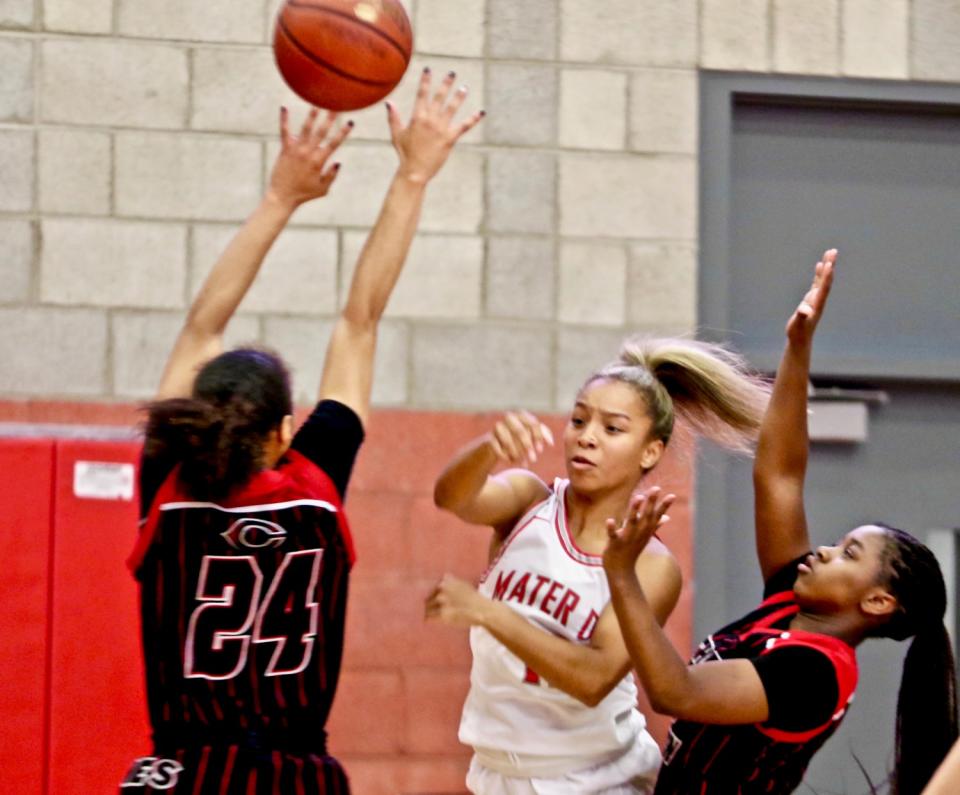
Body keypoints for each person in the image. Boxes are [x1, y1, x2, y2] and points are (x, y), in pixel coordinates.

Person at [120, 69, 483, 794]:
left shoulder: (169, 481)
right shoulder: (314, 485)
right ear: (287, 431)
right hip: (295, 773)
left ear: (197, 415)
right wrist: (412, 175)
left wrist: (280, 197)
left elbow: (203, 325)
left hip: (185, 770)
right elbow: (360, 318)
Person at [602, 250, 958, 795]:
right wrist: (798, 348)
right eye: (839, 544)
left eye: (848, 555)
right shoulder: (792, 599)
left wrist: (622, 575)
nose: (823, 551)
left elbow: (676, 692)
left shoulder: (815, 674)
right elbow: (780, 475)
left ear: (878, 602)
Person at [425, 332, 771, 792]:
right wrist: (489, 448)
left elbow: (592, 679)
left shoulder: (649, 565)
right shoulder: (528, 502)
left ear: (650, 451)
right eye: (579, 420)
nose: (586, 438)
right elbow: (452, 497)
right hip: (497, 771)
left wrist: (488, 612)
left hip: (595, 780)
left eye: (612, 429)